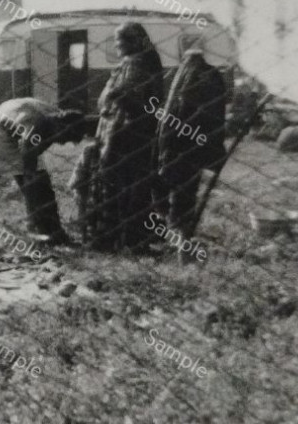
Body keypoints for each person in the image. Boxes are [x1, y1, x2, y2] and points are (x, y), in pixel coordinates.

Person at [0, 97, 86, 244]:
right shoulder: (38, 124)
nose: (63, 143)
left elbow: (35, 148)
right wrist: (30, 181)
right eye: (66, 138)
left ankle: (52, 233)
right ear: (61, 128)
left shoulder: (56, 119)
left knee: (42, 187)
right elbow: (28, 154)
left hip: (19, 132)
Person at [89, 21, 166, 252]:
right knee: (125, 187)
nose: (117, 45)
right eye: (116, 40)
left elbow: (128, 98)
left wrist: (114, 94)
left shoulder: (138, 64)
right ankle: (123, 238)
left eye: (121, 40)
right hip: (123, 133)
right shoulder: (133, 63)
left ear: (134, 41)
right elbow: (110, 99)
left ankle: (120, 239)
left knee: (123, 188)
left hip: (127, 135)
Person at [157, 45, 227, 254]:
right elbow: (216, 114)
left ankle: (177, 230)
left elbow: (178, 109)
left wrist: (167, 139)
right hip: (197, 142)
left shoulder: (184, 75)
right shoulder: (212, 75)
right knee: (187, 186)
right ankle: (181, 228)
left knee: (175, 185)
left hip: (179, 142)